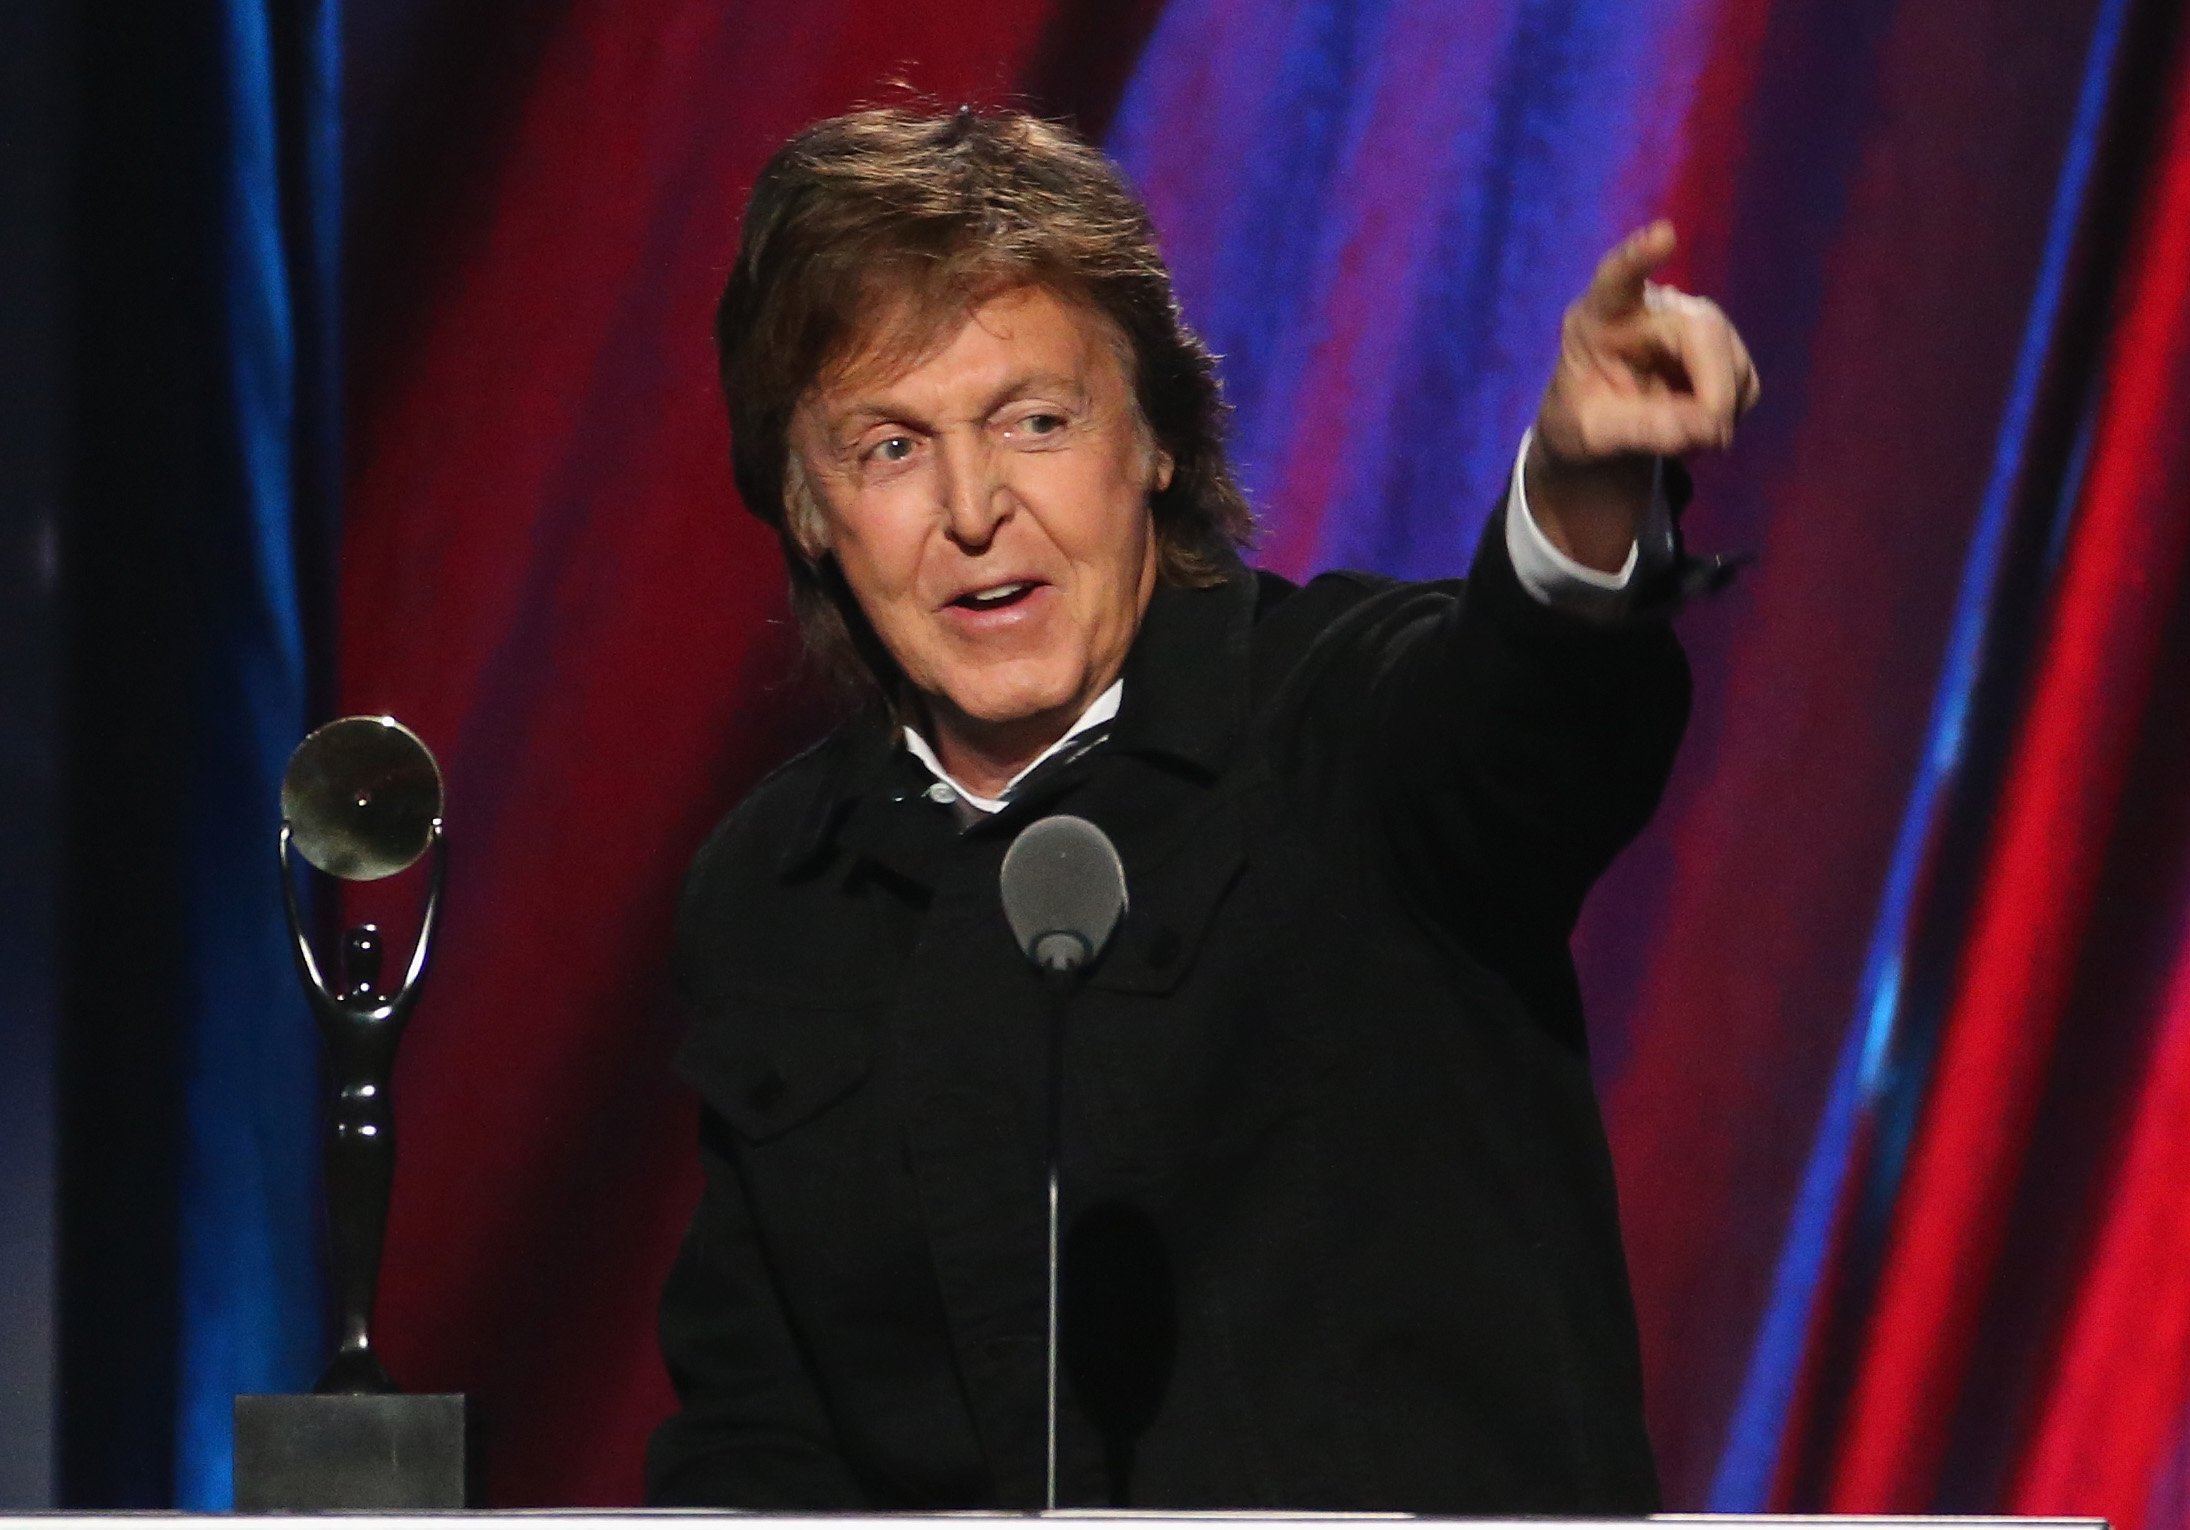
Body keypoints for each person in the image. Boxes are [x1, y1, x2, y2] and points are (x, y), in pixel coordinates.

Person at [646, 104, 1758, 1513]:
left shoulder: (1337, 725)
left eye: (1034, 420)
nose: (973, 507)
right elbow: (758, 1440)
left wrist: (1584, 486)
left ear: (1154, 440)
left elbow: (1523, 717)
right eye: (887, 447)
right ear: (806, 505)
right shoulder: (771, 889)